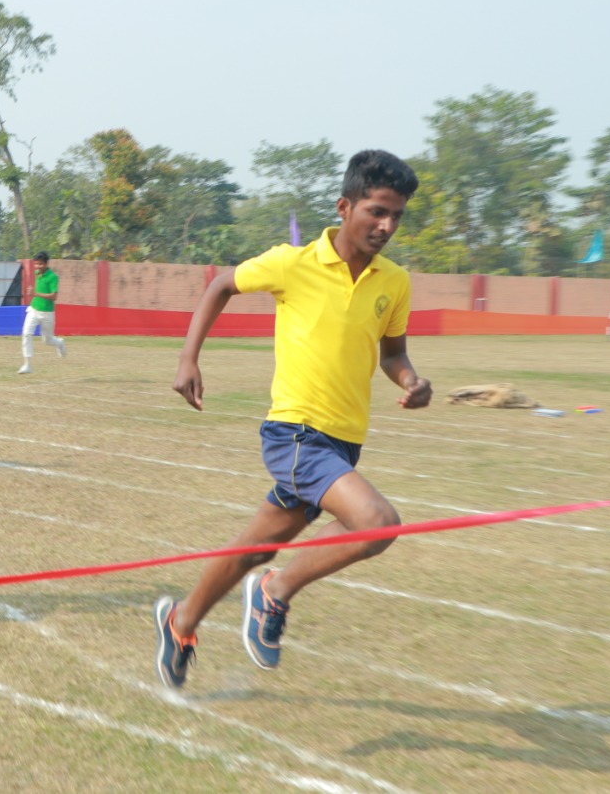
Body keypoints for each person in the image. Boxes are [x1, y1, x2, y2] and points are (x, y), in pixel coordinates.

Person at [153, 149, 432, 690]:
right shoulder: (293, 262)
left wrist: (411, 382)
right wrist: (189, 359)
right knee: (378, 522)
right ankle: (274, 591)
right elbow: (220, 286)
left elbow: (393, 353)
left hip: (343, 442)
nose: (387, 225)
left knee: (254, 547)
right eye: (376, 211)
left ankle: (180, 620)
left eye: (397, 215)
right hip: (296, 435)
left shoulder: (393, 282)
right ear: (344, 206)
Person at [18, 250, 66, 374]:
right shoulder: (37, 273)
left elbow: (54, 296)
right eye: (36, 264)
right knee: (27, 333)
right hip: (34, 309)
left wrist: (35, 293)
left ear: (46, 264)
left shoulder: (53, 277)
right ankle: (27, 365)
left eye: (40, 264)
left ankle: (60, 343)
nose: (37, 267)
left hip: (47, 313)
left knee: (47, 340)